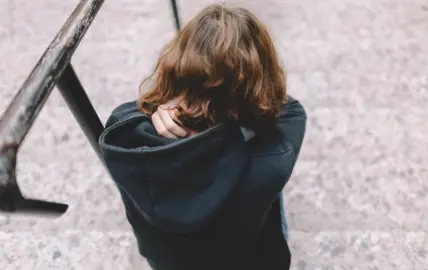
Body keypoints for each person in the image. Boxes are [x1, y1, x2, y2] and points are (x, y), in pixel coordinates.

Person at [99, 4, 306, 270]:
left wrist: (158, 108)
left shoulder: (125, 137)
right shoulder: (270, 162)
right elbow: (288, 108)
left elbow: (126, 113)